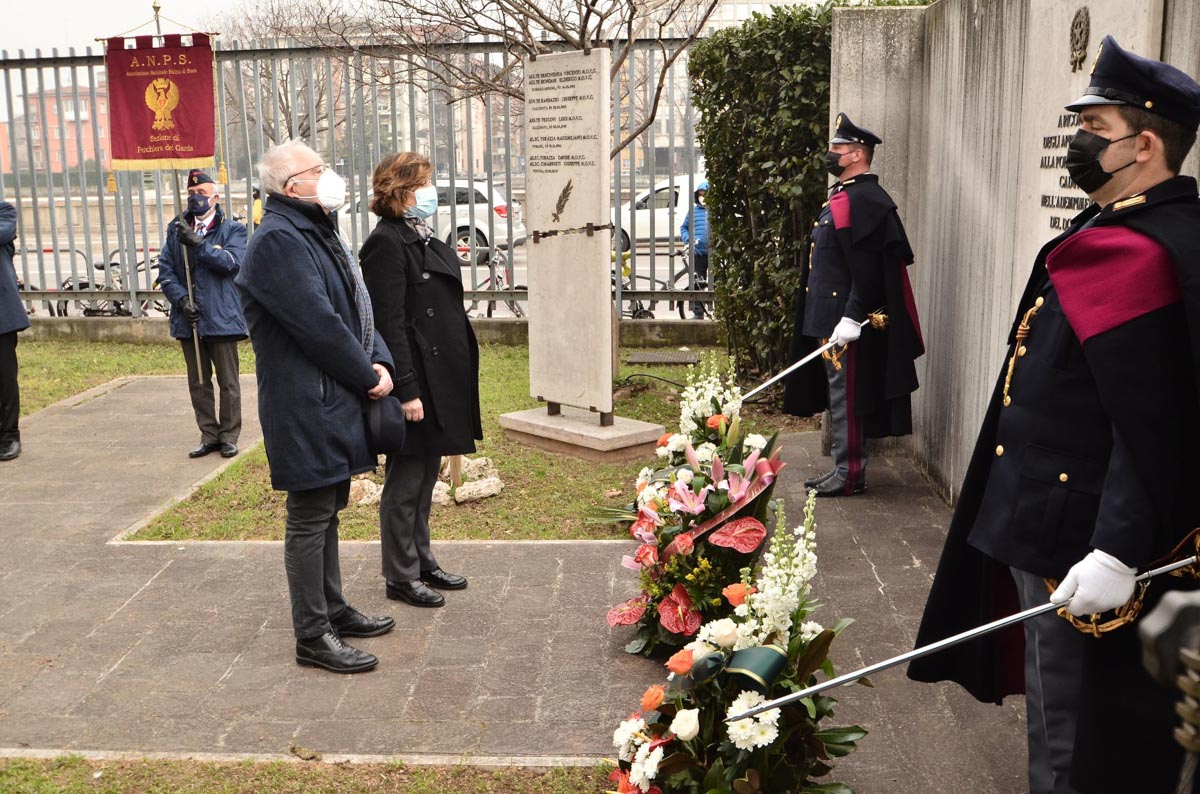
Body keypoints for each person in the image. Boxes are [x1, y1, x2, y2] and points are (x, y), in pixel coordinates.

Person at [907, 36, 1200, 794]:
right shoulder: (1111, 232)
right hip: (1044, 520)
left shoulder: (1144, 251)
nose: (1080, 143)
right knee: (1056, 721)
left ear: (1143, 145)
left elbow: (1156, 422)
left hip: (1082, 541)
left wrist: (1117, 549)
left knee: (1074, 743)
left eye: (1095, 129)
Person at [236, 140, 397, 673]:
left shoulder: (316, 229)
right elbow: (318, 325)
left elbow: (357, 304)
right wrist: (364, 375)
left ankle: (332, 609)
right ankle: (312, 634)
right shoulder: (278, 241)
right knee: (309, 515)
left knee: (327, 509)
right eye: (318, 169)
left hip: (330, 396)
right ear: (291, 187)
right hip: (306, 401)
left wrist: (380, 360)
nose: (330, 176)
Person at [781, 113, 924, 497]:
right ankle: (843, 468)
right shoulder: (842, 197)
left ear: (857, 154)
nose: (831, 154)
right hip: (828, 316)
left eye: (837, 149)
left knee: (847, 397)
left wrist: (850, 316)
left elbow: (869, 270)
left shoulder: (864, 200)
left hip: (845, 320)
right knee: (838, 396)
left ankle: (850, 473)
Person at [359, 152, 479, 609]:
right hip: (417, 379)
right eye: (423, 183)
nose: (431, 192)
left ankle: (423, 560)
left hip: (439, 376)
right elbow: (389, 323)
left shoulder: (418, 235)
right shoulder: (385, 243)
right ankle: (400, 573)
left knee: (426, 476)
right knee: (406, 481)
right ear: (401, 191)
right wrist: (406, 389)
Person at [156, 169, 248, 459]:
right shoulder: (177, 227)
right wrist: (182, 300)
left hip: (221, 316)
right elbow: (166, 270)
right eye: (192, 194)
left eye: (202, 193)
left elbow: (230, 263)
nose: (196, 198)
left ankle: (229, 435)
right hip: (190, 318)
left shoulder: (232, 230)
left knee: (228, 382)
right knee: (198, 380)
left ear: (216, 197)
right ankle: (208, 434)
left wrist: (197, 244)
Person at [0, 199, 27, 462]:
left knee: (5, 378)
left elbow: (4, 232)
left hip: (1, 316)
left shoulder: (4, 211)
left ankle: (9, 435)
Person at [679, 180, 710, 320]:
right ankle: (698, 313)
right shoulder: (693, 211)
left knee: (717, 283)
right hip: (698, 253)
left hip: (714, 253)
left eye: (705, 194)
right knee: (698, 283)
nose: (702, 197)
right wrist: (688, 239)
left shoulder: (717, 211)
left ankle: (721, 311)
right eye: (700, 194)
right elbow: (684, 227)